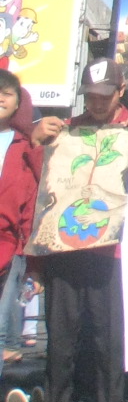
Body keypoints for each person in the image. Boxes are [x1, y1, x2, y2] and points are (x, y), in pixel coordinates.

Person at [22, 60, 128, 402]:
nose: (97, 103)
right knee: (60, 337)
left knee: (108, 337)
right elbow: (38, 188)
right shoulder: (65, 131)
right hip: (64, 250)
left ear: (120, 90)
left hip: (111, 254)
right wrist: (32, 139)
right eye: (91, 96)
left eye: (104, 96)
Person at [0, 69, 41, 365]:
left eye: (7, 93)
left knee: (1, 328)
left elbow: (31, 200)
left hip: (8, 247)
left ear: (17, 104)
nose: (0, 98)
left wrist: (27, 254)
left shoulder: (25, 146)